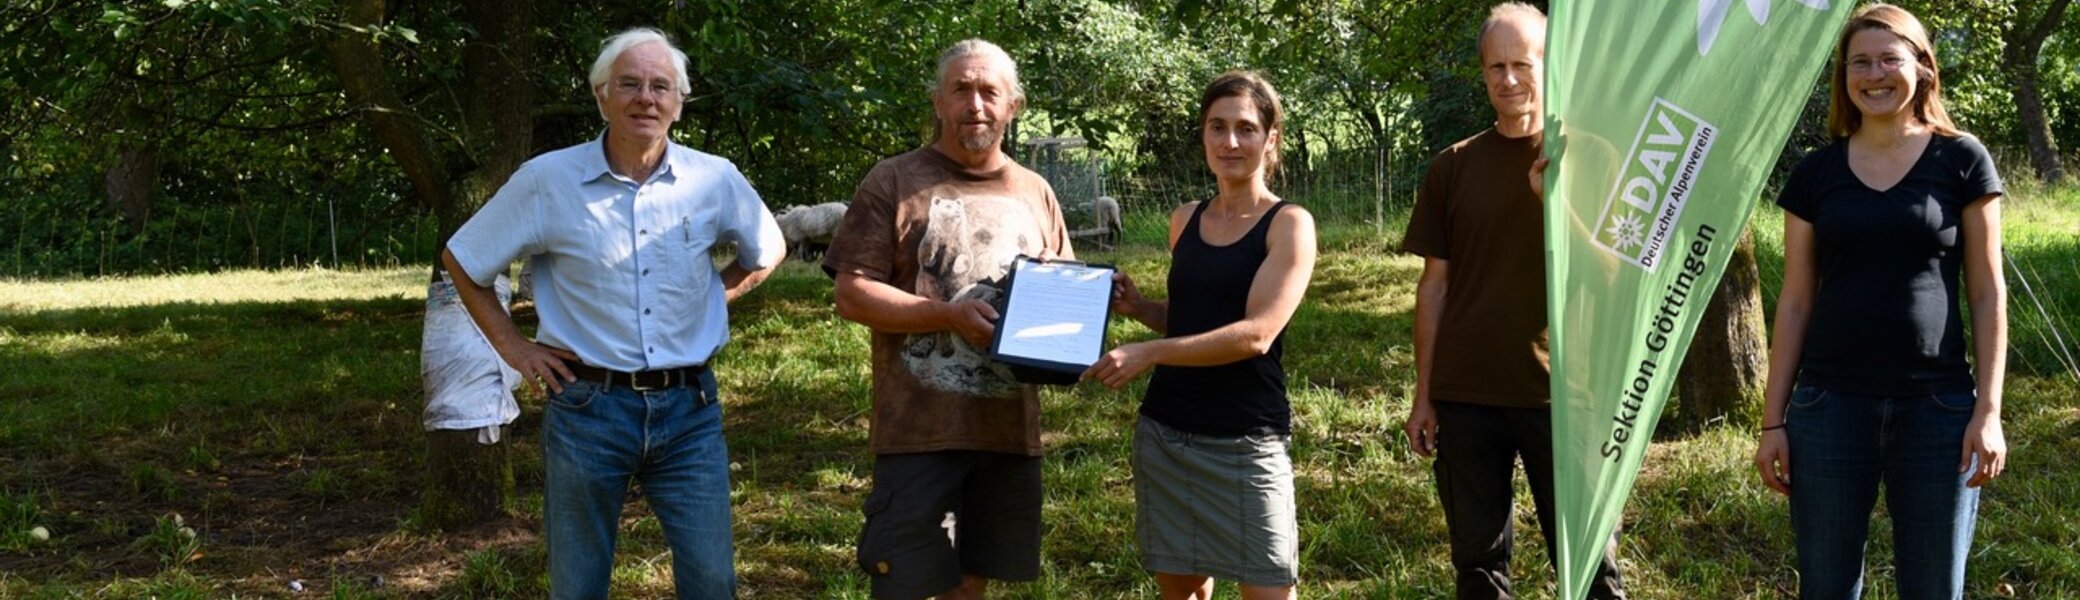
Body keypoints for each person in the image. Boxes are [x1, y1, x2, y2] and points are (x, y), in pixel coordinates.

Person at [439, 27, 784, 599]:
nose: (645, 98)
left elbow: (768, 250)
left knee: (711, 583)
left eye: (660, 86)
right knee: (578, 587)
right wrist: (515, 349)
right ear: (601, 95)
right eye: (629, 84)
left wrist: (709, 300)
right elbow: (464, 259)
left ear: (678, 101)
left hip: (690, 412)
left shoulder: (713, 178)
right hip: (588, 410)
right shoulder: (547, 181)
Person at [1751, 5, 2008, 598]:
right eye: (1859, 62)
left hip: (1939, 409)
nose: (1874, 74)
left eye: (1889, 59)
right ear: (1844, 77)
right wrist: (1773, 421)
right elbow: (1793, 302)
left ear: (1921, 66)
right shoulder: (1815, 174)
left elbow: (1987, 292)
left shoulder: (1963, 159)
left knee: (1934, 587)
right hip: (1828, 408)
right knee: (1827, 587)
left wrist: (1987, 413)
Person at [823, 39, 1074, 600]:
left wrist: (1095, 302)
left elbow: (1065, 299)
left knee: (970, 586)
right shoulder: (892, 180)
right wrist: (948, 315)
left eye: (990, 91)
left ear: (1014, 105)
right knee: (905, 586)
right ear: (938, 101)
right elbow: (852, 295)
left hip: (1008, 434)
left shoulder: (1036, 191)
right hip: (918, 432)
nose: (976, 105)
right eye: (961, 90)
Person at [1399, 4, 1628, 599]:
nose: (1508, 80)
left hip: (1564, 396)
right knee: (1477, 568)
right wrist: (1424, 394)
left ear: (1549, 66)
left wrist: (1555, 204)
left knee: (1590, 565)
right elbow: (1435, 286)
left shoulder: (1594, 155)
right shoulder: (1453, 166)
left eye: (1521, 64)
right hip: (1466, 396)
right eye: (1495, 67)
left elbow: (1613, 278)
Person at [1083, 70, 1317, 600]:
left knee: (1270, 589)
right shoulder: (1184, 220)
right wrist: (1140, 307)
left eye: (1246, 128)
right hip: (1168, 437)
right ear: (1203, 137)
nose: (1230, 141)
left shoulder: (1288, 224)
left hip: (1247, 439)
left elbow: (1255, 334)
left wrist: (1148, 352)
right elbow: (1194, 321)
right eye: (1217, 127)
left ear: (1270, 138)